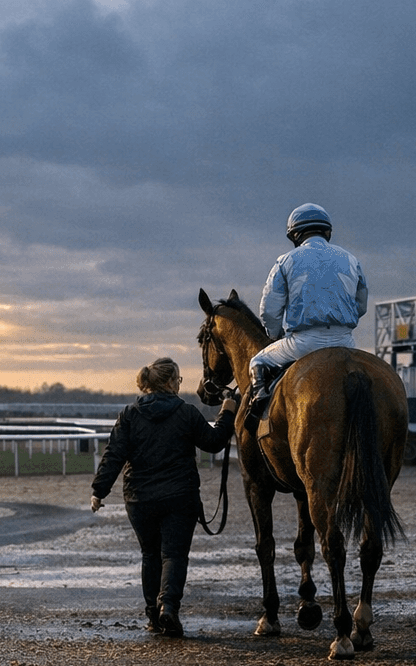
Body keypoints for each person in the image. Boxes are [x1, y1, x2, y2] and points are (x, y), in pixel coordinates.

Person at [90, 358, 239, 638]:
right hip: (179, 496)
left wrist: (99, 491)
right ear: (171, 383)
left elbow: (114, 455)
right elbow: (214, 441)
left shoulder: (129, 414)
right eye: (179, 380)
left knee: (150, 554)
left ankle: (152, 616)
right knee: (174, 554)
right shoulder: (186, 413)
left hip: (139, 498)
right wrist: (227, 411)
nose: (180, 385)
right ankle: (168, 608)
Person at [246, 203, 369, 420]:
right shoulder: (351, 259)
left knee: (257, 361)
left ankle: (259, 410)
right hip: (345, 342)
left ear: (295, 235)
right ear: (327, 232)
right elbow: (361, 305)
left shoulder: (285, 261)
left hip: (304, 344)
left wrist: (274, 335)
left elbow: (269, 310)